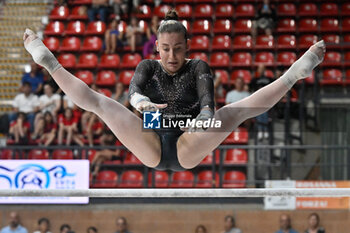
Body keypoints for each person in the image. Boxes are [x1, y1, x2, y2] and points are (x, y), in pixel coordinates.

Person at [23, 8, 325, 171]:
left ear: (188, 47)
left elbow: (208, 102)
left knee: (231, 113)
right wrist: (141, 103)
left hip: (187, 146)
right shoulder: (147, 66)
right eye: (165, 49)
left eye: (178, 49)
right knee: (102, 104)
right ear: (156, 47)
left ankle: (292, 75)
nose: (171, 56)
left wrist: (206, 117)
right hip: (150, 141)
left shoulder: (198, 67)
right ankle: (50, 63)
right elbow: (134, 92)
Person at [250, 64, 274, 140]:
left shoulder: (269, 79)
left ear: (265, 70)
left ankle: (261, 130)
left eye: (263, 69)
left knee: (262, 109)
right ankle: (264, 129)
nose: (261, 70)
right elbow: (250, 89)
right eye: (260, 69)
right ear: (258, 70)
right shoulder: (254, 80)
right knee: (261, 109)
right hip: (258, 100)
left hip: (268, 99)